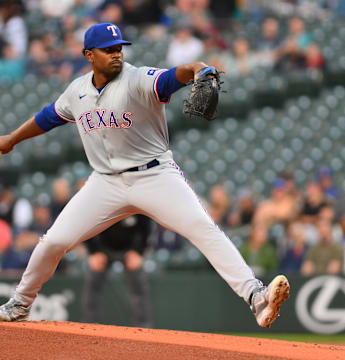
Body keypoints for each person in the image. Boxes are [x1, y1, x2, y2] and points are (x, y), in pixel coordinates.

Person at [0, 22, 289, 328]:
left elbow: (169, 78)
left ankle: (256, 297)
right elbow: (47, 118)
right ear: (88, 55)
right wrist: (10, 140)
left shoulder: (136, 78)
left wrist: (195, 67)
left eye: (119, 48)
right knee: (53, 242)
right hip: (105, 182)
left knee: (203, 228)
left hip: (155, 176)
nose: (116, 55)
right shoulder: (77, 91)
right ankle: (20, 303)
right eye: (108, 50)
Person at [82, 215, 152, 327]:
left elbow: (146, 228)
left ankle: (144, 329)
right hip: (102, 248)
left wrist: (138, 252)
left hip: (130, 249)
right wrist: (93, 251)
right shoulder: (103, 200)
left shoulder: (137, 201)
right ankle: (90, 327)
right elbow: (86, 223)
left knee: (139, 287)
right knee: (93, 284)